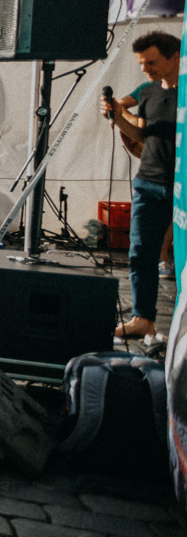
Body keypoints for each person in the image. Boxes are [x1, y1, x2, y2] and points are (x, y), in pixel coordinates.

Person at [104, 31, 180, 341]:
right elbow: (140, 136)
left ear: (175, 56)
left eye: (151, 62)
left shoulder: (186, 91)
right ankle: (143, 319)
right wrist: (117, 117)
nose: (145, 69)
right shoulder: (148, 92)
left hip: (181, 184)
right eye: (141, 63)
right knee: (140, 253)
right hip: (148, 182)